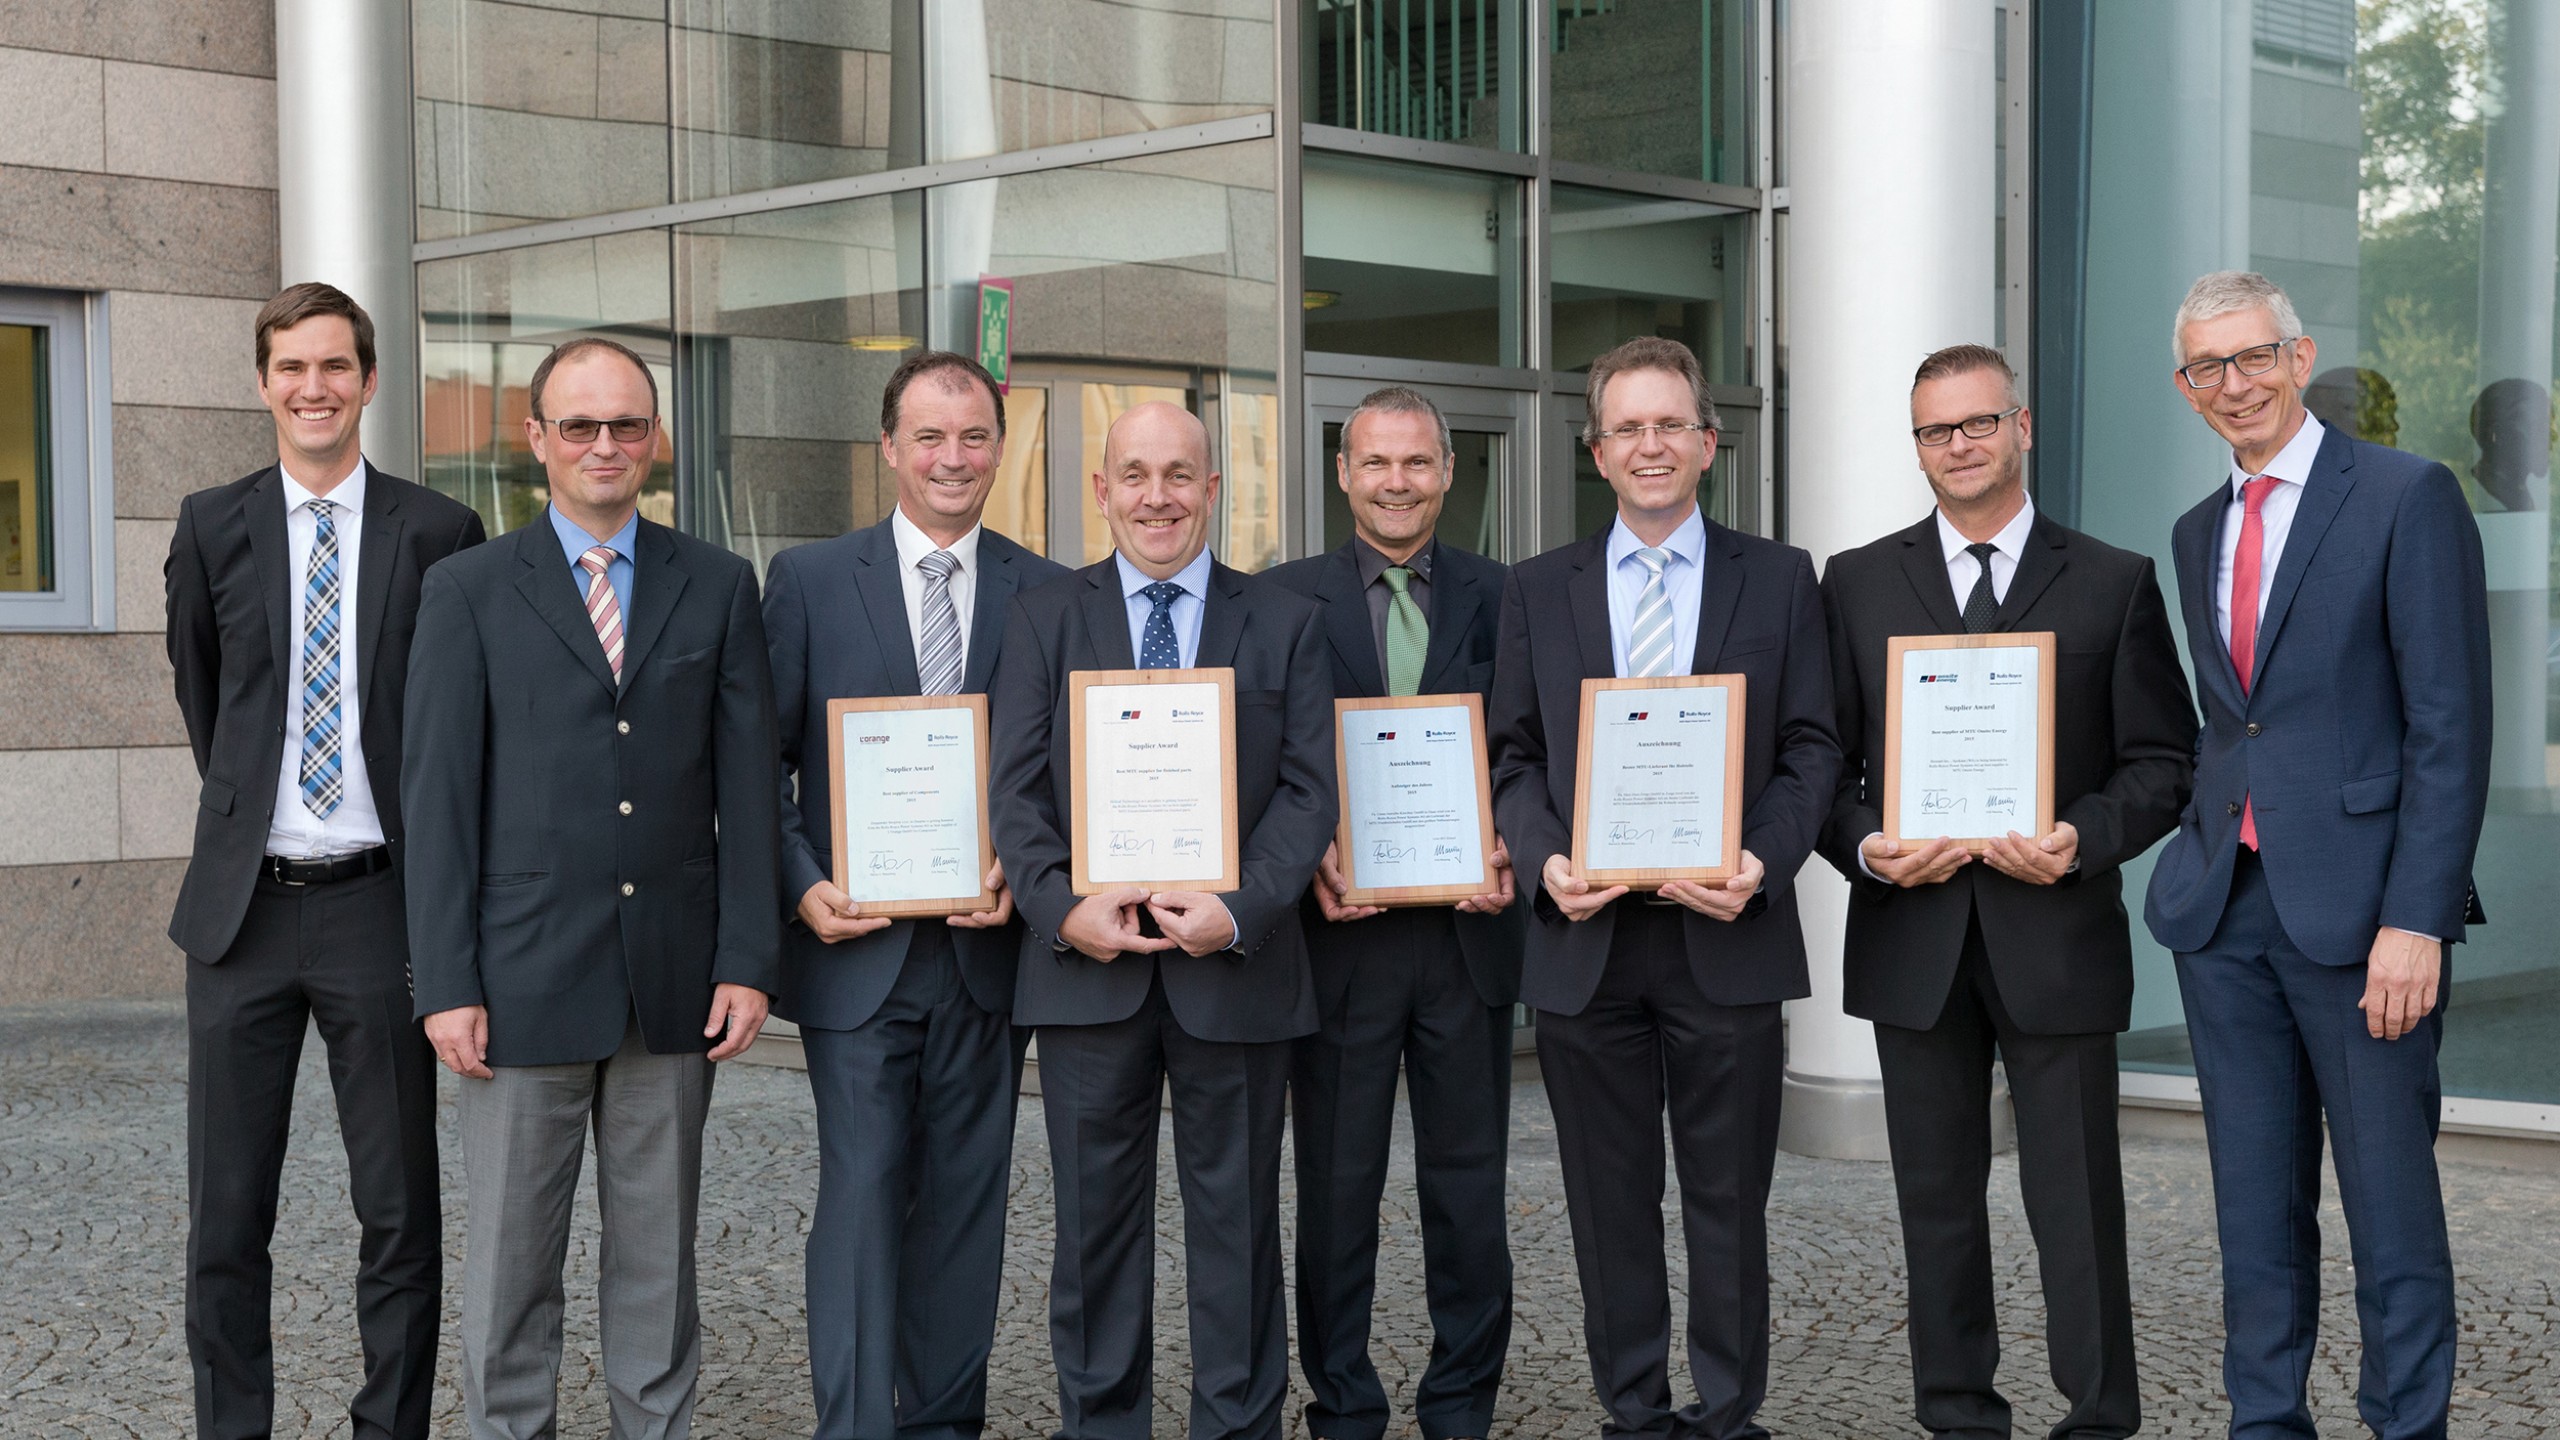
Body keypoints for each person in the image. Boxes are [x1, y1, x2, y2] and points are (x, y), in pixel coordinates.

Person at [403, 337, 782, 1439]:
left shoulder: (716, 585)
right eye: (580, 426)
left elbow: (750, 789)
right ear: (537, 442)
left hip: (674, 985)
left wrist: (748, 961)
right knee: (513, 1272)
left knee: (657, 1270)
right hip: (516, 987)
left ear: (654, 439)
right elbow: (436, 801)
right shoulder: (466, 589)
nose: (604, 445)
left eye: (625, 425)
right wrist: (445, 981)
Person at [1816, 343, 2193, 1439]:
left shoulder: (2112, 579)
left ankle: (2099, 1417)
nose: (1958, 446)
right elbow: (1821, 759)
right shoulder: (1856, 579)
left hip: (2055, 936)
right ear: (1917, 445)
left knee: (2075, 1208)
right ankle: (1956, 1414)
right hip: (1912, 937)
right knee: (1935, 1208)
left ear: (2021, 427)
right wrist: (1866, 845)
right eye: (1936, 431)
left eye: (1978, 424)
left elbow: (2164, 763)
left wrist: (2081, 837)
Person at [2144, 270, 2491, 1439]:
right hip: (2225, 916)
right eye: (2208, 368)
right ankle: (2263, 1426)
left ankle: (2406, 1428)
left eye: (2253, 358)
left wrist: (2418, 918)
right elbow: (2231, 719)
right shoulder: (2199, 530)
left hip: (2364, 924)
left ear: (2296, 359)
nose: (2233, 384)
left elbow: (2449, 727)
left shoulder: (2404, 495)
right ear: (2186, 389)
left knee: (2391, 1215)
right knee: (2253, 1215)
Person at [1487, 336, 1839, 1440]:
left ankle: (1730, 1415)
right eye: (1628, 428)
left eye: (1669, 425)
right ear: (1598, 452)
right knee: (1608, 1202)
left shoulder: (1780, 578)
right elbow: (1512, 755)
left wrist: (1760, 863)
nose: (1651, 445)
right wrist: (1545, 861)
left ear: (1707, 443)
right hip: (1587, 944)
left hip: (1724, 933)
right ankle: (1632, 1411)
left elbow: (1813, 749)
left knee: (1729, 1200)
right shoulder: (1537, 589)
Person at [163, 282, 483, 1440]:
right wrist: (261, 815)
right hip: (242, 914)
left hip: (381, 907)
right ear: (263, 383)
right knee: (226, 1213)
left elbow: (453, 722)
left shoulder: (439, 532)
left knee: (398, 1210)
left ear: (369, 380)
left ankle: (388, 1428)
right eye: (292, 367)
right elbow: (210, 703)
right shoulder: (209, 524)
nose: (314, 387)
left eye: (335, 366)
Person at [988, 401, 1336, 1440]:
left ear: (1213, 490)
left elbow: (1309, 796)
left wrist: (1237, 911)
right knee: (1092, 1235)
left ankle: (1236, 1427)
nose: (1156, 496)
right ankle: (1103, 1425)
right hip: (1089, 974)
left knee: (1236, 1231)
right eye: (1133, 474)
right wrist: (1060, 909)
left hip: (1234, 972)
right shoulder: (1044, 618)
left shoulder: (1282, 620)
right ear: (1101, 491)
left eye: (1179, 475)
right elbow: (1013, 791)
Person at [762, 350, 1066, 1438]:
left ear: (999, 444)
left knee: (965, 1213)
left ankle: (945, 1425)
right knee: (860, 1196)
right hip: (856, 951)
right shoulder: (805, 580)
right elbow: (760, 765)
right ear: (888, 448)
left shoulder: (1048, 588)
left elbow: (1064, 776)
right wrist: (801, 888)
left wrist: (1027, 877)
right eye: (928, 437)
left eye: (973, 435)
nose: (952, 457)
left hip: (988, 956)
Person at [1263, 387, 1522, 1440]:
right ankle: (1345, 1405)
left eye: (1416, 463)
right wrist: (1302, 850)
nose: (1397, 482)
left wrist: (1511, 836)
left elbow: (1530, 749)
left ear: (1448, 473)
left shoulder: (1510, 597)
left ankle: (1460, 1406)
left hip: (1468, 935)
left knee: (1468, 1195)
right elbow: (1261, 762)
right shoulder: (1280, 603)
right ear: (1343, 473)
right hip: (1338, 941)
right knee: (1335, 1191)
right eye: (1376, 463)